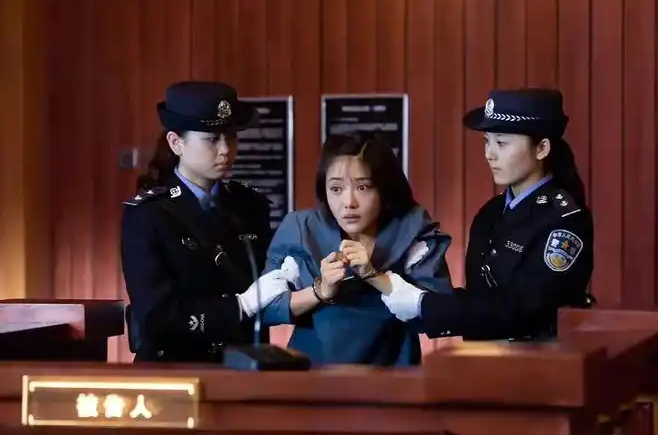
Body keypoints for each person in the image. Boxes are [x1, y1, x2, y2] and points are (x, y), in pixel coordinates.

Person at [380, 88, 594, 341]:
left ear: (541, 148)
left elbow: (527, 311)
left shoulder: (565, 220)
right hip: (484, 356)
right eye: (486, 141)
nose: (489, 154)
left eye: (501, 143)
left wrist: (425, 304)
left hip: (538, 361)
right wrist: (418, 297)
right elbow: (481, 300)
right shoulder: (490, 213)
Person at [121, 81, 298, 362]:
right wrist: (239, 307)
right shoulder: (149, 214)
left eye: (231, 137)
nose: (225, 149)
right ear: (176, 143)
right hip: (175, 368)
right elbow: (157, 317)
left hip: (243, 365)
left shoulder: (249, 205)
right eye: (212, 139)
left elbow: (267, 286)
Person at [261, 131, 453, 366]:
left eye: (363, 187)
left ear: (384, 188)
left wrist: (375, 277)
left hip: (393, 375)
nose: (349, 202)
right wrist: (321, 291)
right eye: (336, 189)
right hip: (313, 374)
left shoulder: (411, 228)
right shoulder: (301, 228)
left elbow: (441, 313)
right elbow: (265, 307)